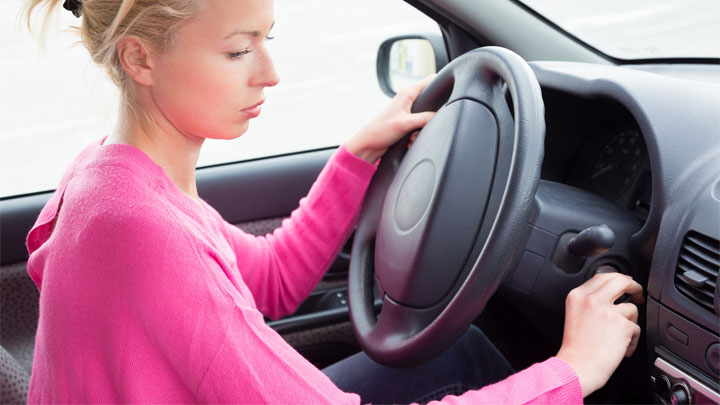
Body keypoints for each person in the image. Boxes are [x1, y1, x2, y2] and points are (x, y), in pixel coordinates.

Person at [23, 0, 643, 403]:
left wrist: (357, 156)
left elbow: (268, 281)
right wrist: (572, 369)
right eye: (239, 49)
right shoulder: (142, 231)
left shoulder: (110, 177)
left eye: (267, 39)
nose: (270, 72)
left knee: (466, 350)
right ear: (140, 58)